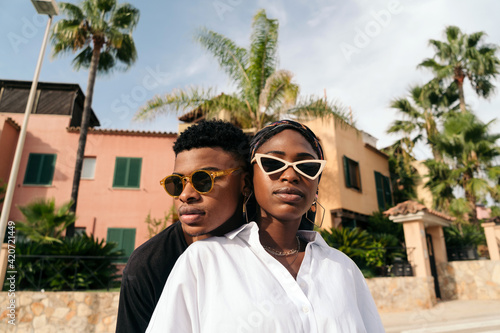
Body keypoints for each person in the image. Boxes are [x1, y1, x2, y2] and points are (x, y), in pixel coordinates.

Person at [146, 120, 385, 332]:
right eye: (272, 163)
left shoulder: (343, 268)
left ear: (316, 184)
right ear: (249, 181)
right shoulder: (204, 261)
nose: (290, 175)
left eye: (307, 166)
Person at [116, 120, 251, 333]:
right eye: (177, 183)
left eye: (204, 180)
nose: (185, 195)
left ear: (245, 183)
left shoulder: (268, 247)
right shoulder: (148, 266)